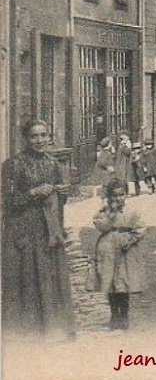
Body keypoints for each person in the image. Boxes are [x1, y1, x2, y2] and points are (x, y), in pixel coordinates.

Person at [1, 119, 75, 341]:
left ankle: (53, 329)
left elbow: (58, 203)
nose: (40, 140)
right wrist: (33, 192)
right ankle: (25, 332)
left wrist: (62, 194)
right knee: (26, 279)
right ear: (25, 138)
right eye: (34, 136)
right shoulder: (13, 165)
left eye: (44, 135)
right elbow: (7, 202)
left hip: (47, 230)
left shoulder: (53, 163)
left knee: (49, 278)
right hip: (22, 229)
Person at [92, 178, 146, 330]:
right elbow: (100, 226)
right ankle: (114, 314)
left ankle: (124, 314)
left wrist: (130, 240)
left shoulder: (132, 212)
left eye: (121, 195)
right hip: (108, 251)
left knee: (123, 284)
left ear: (126, 195)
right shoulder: (104, 212)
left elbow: (141, 229)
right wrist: (110, 214)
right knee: (111, 284)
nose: (118, 198)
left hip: (125, 251)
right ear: (109, 197)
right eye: (114, 196)